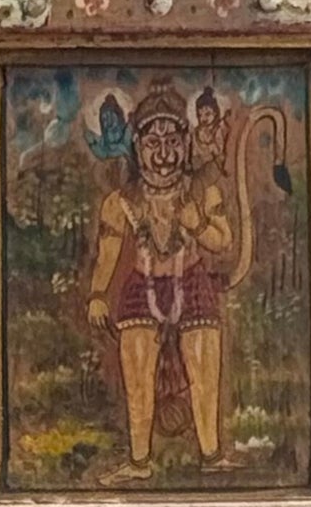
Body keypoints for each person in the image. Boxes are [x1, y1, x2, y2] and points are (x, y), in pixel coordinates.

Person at [85, 82, 234, 473]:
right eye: (153, 144)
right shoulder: (121, 201)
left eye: (172, 142)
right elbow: (108, 252)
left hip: (193, 283)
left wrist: (195, 222)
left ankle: (211, 455)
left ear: (186, 144)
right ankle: (139, 461)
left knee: (204, 375)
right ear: (137, 147)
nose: (164, 155)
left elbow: (223, 241)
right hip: (142, 288)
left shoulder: (203, 191)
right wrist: (98, 294)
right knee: (138, 380)